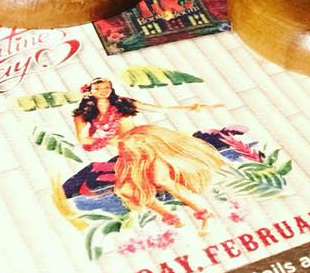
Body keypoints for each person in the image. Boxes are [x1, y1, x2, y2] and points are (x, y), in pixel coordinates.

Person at [72, 78, 225, 233]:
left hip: (146, 142)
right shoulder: (83, 114)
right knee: (126, 190)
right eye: (98, 88)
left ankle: (205, 215)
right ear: (89, 91)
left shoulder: (122, 103)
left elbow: (160, 109)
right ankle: (170, 217)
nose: (103, 91)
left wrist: (190, 107)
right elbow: (83, 139)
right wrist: (109, 141)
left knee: (162, 179)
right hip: (128, 150)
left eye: (107, 87)